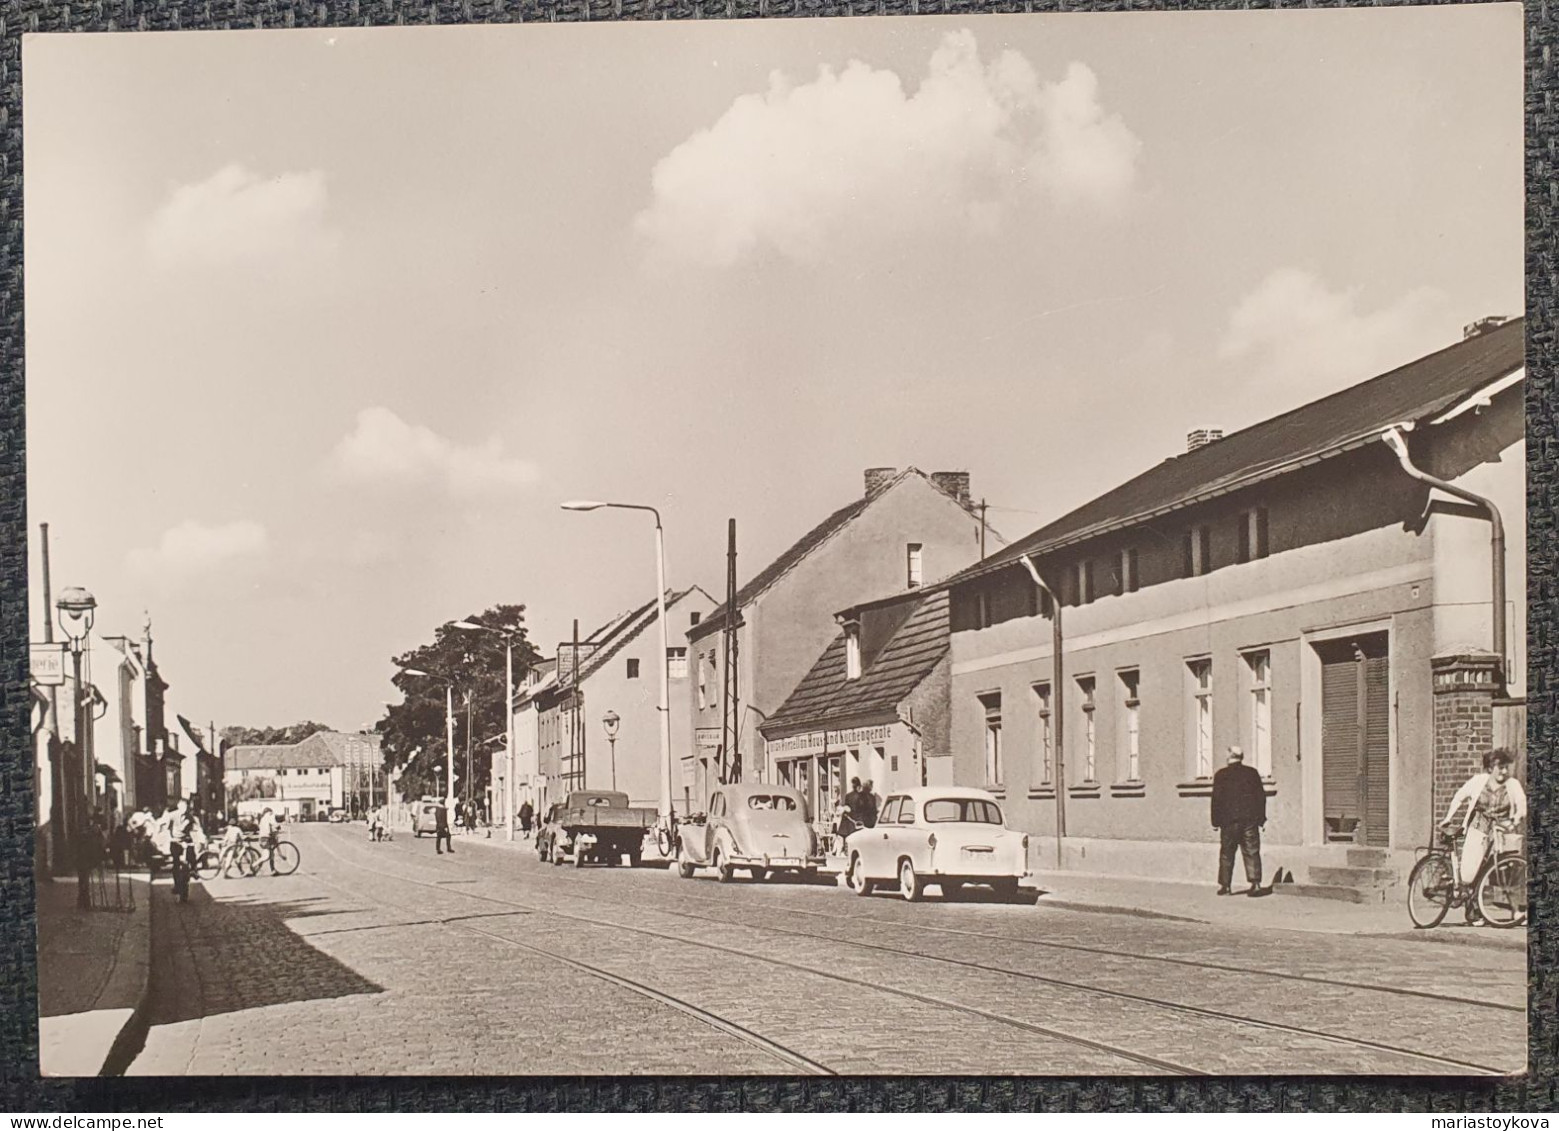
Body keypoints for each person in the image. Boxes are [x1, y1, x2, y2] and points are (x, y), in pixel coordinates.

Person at [1442, 749, 1526, 897]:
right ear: (1490, 768)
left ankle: (1515, 911)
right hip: (1479, 827)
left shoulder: (1512, 784)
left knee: (1507, 869)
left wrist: (1515, 819)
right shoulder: (1479, 781)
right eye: (1500, 767)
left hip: (1501, 830)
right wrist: (1448, 818)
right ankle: (1471, 906)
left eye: (1506, 767)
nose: (1504, 771)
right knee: (1471, 872)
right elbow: (1459, 797)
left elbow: (1521, 805)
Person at [1211, 745, 1266, 896]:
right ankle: (1255, 884)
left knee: (1227, 853)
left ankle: (1225, 886)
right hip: (1249, 820)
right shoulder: (1251, 773)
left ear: (1230, 756)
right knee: (1252, 851)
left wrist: (1215, 822)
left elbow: (1216, 800)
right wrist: (1261, 819)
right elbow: (1260, 797)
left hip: (1228, 821)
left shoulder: (1221, 775)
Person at [257, 806, 280, 874]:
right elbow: (273, 823)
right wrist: (278, 826)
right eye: (271, 813)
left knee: (272, 854)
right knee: (266, 856)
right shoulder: (268, 816)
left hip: (264, 838)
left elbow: (268, 827)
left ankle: (273, 870)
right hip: (265, 838)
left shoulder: (262, 819)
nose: (271, 814)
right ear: (268, 812)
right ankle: (253, 865)